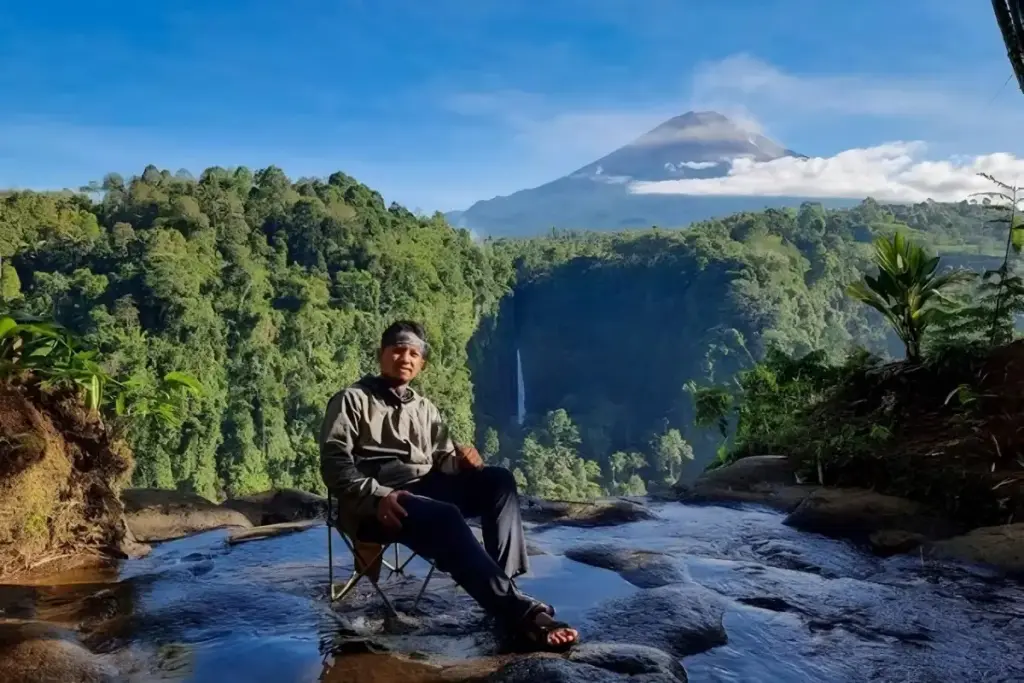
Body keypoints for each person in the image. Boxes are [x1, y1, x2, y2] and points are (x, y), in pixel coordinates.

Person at [319, 320, 579, 652]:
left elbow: (443, 459)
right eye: (398, 350)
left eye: (414, 353)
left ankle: (503, 589)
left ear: (422, 363)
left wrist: (462, 461)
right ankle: (522, 614)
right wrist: (377, 495)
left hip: (424, 491)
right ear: (381, 354)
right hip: (378, 502)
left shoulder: (424, 408)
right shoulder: (351, 400)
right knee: (444, 516)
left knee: (498, 481)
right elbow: (334, 464)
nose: (405, 358)